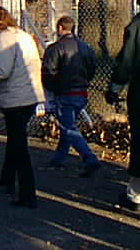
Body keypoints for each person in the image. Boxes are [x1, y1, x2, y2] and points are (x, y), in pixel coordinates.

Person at [105, 0, 140, 235]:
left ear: (139, 2)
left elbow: (128, 61)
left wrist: (115, 87)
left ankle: (136, 196)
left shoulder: (139, 26)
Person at [0, 6, 45, 208]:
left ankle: (27, 193)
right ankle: (7, 178)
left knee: (18, 144)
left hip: (15, 97)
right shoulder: (24, 36)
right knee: (14, 139)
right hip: (30, 94)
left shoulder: (4, 39)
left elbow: (1, 72)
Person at [42, 16, 100, 177]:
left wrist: (52, 88)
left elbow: (48, 72)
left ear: (60, 28)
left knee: (68, 128)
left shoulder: (55, 48)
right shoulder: (86, 47)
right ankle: (59, 158)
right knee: (67, 125)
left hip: (64, 92)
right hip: (81, 92)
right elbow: (92, 69)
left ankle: (89, 158)